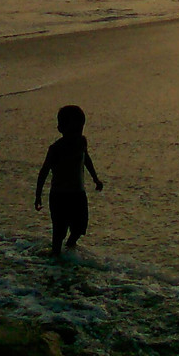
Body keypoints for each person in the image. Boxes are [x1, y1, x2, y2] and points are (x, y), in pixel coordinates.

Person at [35, 104, 104, 257]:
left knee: (80, 227)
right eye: (73, 130)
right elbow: (44, 172)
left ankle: (70, 246)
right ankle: (55, 259)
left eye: (80, 129)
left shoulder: (81, 142)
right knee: (59, 231)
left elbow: (86, 159)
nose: (77, 133)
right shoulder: (56, 149)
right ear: (61, 129)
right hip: (59, 196)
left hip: (78, 194)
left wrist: (95, 178)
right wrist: (38, 195)